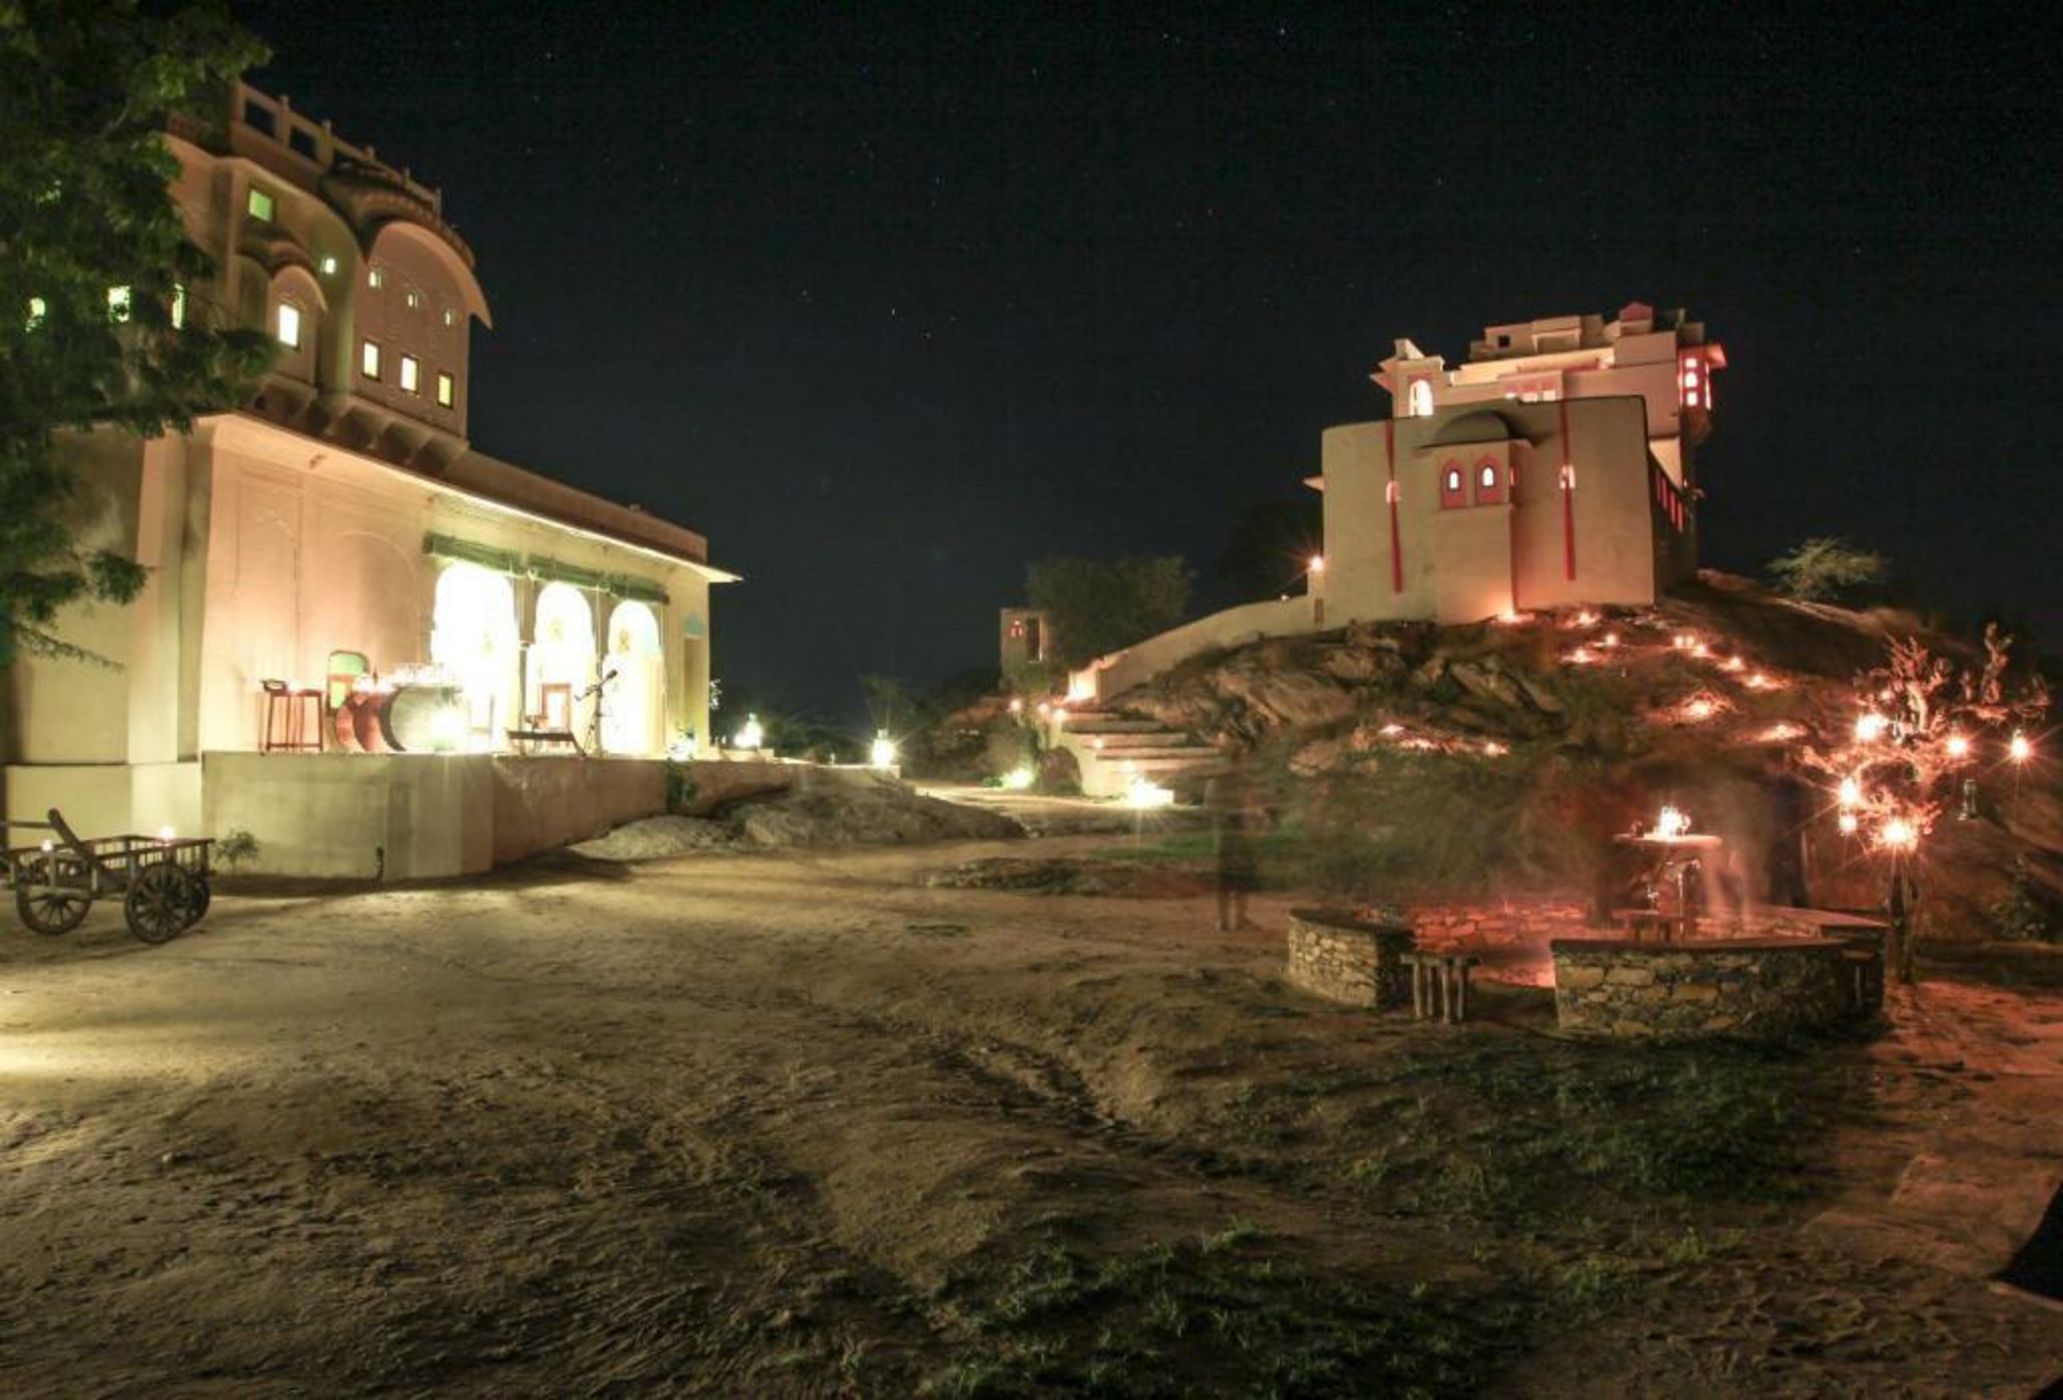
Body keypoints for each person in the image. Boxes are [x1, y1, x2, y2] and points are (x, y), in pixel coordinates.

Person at [1207, 744, 1262, 932]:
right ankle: (1238, 919)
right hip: (1238, 837)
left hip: (1222, 837)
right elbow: (1249, 808)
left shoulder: (1215, 783)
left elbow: (1212, 808)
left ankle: (1223, 920)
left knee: (1225, 880)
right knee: (1240, 879)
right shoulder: (1241, 783)